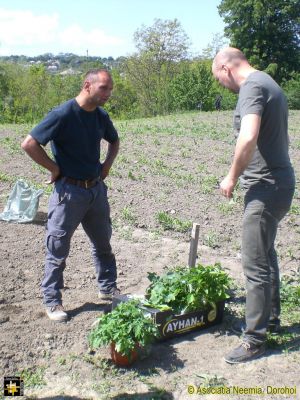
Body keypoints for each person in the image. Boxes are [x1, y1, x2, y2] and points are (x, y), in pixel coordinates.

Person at [212, 48, 295, 363]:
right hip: (278, 182)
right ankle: (270, 318)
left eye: (219, 79)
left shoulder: (252, 87)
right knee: (265, 252)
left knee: (254, 262)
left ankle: (254, 340)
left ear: (225, 67)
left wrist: (231, 177)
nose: (222, 85)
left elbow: (247, 137)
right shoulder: (267, 81)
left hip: (266, 186)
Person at [21, 69, 120, 322]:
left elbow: (114, 141)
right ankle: (52, 300)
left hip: (95, 191)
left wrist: (106, 166)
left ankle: (108, 288)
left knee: (103, 243)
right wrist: (54, 168)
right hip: (68, 193)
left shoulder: (100, 115)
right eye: (104, 88)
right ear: (88, 85)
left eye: (110, 89)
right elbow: (29, 143)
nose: (108, 94)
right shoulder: (63, 114)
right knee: (58, 249)